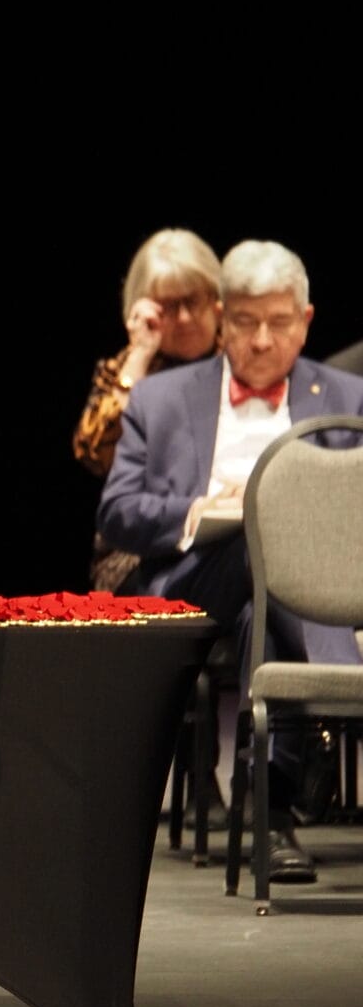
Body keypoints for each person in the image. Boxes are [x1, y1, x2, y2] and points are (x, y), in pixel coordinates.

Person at [98, 239, 363, 883]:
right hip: (192, 586)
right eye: (246, 322)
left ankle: (265, 810)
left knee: (263, 612)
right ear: (221, 320)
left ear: (306, 321)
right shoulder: (162, 399)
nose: (263, 339)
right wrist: (196, 509)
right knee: (255, 534)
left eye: (280, 322)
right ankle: (334, 690)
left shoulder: (348, 400)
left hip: (280, 601)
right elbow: (118, 510)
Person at [73, 229, 222, 589]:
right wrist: (138, 358)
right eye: (169, 306)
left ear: (217, 300)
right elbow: (96, 456)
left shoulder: (243, 364)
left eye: (193, 301)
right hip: (141, 549)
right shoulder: (129, 370)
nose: (184, 318)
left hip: (225, 533)